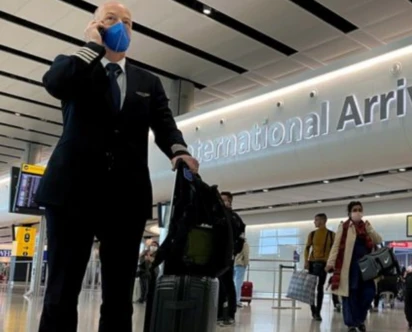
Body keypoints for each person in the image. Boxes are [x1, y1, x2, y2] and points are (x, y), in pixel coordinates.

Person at [34, 2, 199, 331]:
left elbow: (165, 125)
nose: (121, 26)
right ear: (94, 24)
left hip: (126, 196)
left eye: (127, 22)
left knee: (119, 294)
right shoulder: (73, 66)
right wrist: (93, 47)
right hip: (71, 193)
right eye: (111, 19)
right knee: (61, 291)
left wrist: (179, 151)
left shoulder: (147, 81)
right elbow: (55, 84)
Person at [326, 201, 383, 332]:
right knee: (351, 295)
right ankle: (352, 323)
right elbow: (336, 245)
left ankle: (359, 319)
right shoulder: (345, 227)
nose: (358, 212)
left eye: (360, 209)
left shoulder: (367, 226)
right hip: (350, 267)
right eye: (355, 210)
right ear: (350, 212)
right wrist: (330, 262)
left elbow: (378, 240)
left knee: (369, 294)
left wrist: (370, 229)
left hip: (367, 268)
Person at [217, 191, 246, 326]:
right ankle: (218, 314)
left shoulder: (235, 218)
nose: (222, 202)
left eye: (224, 200)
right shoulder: (216, 215)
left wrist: (234, 251)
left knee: (228, 283)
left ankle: (230, 314)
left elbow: (241, 237)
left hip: (228, 256)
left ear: (229, 201)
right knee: (219, 284)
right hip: (217, 256)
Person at [303, 213, 335, 321]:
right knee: (312, 288)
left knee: (320, 287)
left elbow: (335, 251)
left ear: (322, 221)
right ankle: (313, 310)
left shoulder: (331, 235)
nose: (314, 222)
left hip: (323, 264)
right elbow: (307, 248)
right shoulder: (312, 234)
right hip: (312, 263)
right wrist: (306, 260)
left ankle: (318, 311)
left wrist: (331, 263)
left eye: (316, 220)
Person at [234, 234, 250, 308]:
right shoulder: (244, 244)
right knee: (238, 283)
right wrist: (246, 264)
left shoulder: (234, 242)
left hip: (233, 264)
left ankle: (231, 299)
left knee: (233, 282)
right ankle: (237, 300)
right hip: (241, 265)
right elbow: (246, 255)